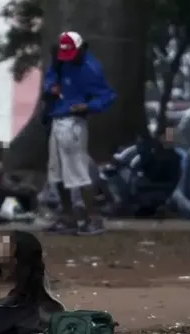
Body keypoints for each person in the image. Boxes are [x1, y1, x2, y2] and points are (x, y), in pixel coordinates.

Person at [43, 31, 116, 236]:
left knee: (78, 171)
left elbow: (107, 95)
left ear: (82, 48)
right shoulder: (60, 60)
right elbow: (50, 77)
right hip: (57, 118)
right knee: (56, 172)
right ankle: (68, 217)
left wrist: (88, 106)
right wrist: (51, 87)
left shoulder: (91, 69)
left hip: (74, 122)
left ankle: (93, 218)